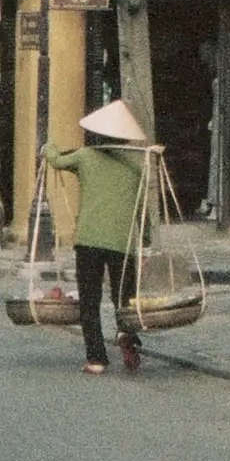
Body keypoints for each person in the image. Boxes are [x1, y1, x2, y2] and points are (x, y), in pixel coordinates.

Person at [45, 99, 152, 376]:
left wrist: (48, 148)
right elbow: (143, 211)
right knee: (124, 299)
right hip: (123, 241)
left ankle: (96, 359)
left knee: (90, 301)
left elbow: (57, 160)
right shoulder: (136, 167)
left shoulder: (84, 157)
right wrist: (147, 242)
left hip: (90, 240)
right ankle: (125, 334)